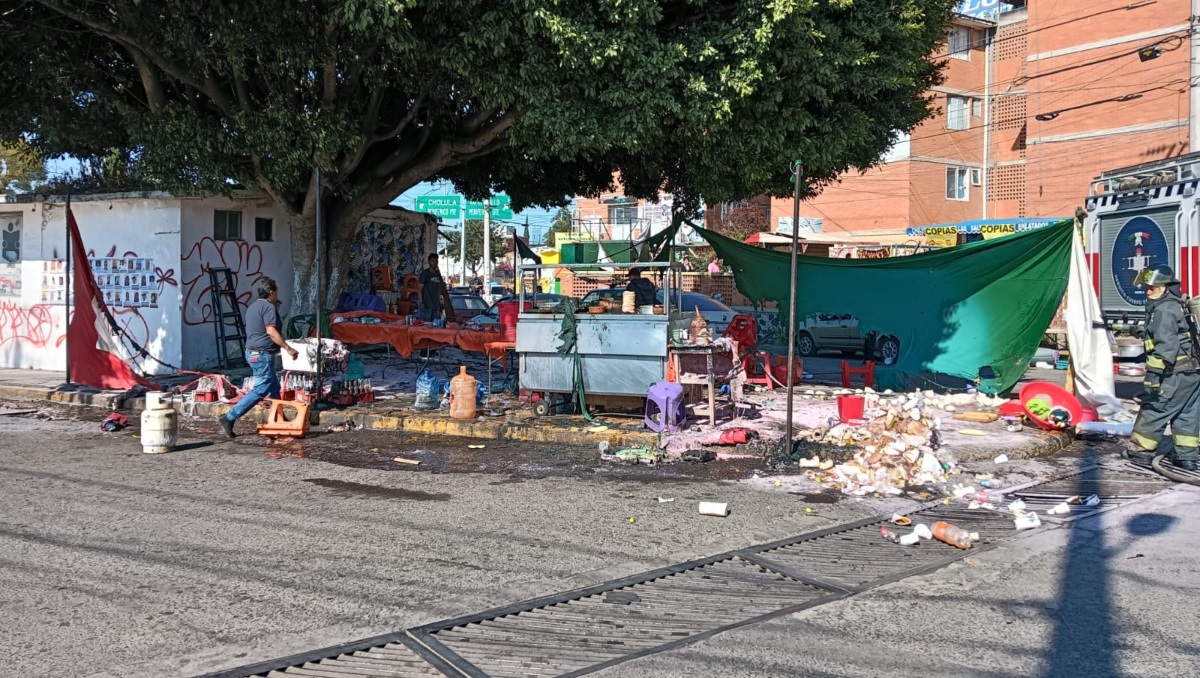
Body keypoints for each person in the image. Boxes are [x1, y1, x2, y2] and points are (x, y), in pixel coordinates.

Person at [1126, 265, 1200, 471]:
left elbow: (1166, 349)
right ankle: (1187, 458)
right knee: (1187, 414)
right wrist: (1141, 331)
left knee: (1155, 408)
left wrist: (1152, 376)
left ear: (1166, 287)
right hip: (1192, 373)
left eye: (1154, 288)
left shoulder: (1163, 309)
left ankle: (1141, 453)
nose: (1148, 292)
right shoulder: (1178, 304)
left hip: (1173, 374)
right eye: (1147, 288)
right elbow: (1176, 335)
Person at [217, 277, 298, 437]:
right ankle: (229, 417)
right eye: (277, 292)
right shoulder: (268, 308)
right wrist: (288, 348)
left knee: (274, 387)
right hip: (262, 355)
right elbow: (271, 332)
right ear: (272, 292)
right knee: (261, 389)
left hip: (252, 352)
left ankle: (278, 418)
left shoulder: (253, 307)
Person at [419, 253, 444, 322]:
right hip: (427, 306)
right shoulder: (425, 274)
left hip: (436, 306)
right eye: (433, 261)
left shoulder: (438, 274)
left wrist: (441, 302)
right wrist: (421, 303)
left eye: (436, 261)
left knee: (436, 327)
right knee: (426, 327)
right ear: (429, 262)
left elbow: (439, 289)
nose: (434, 263)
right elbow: (419, 289)